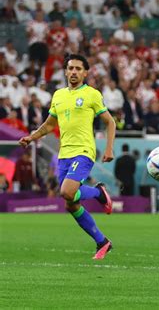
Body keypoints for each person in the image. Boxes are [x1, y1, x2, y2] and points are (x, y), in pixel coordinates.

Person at [19, 54, 116, 260]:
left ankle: (99, 194)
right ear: (65, 71)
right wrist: (31, 137)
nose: (73, 72)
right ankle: (102, 241)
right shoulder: (58, 96)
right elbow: (49, 125)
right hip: (64, 154)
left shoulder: (92, 94)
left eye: (78, 69)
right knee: (70, 203)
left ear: (85, 73)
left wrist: (109, 149)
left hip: (83, 151)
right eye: (70, 68)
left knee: (66, 191)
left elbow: (110, 122)